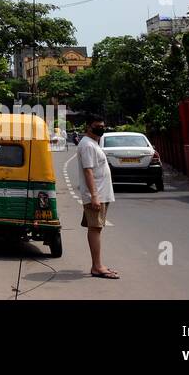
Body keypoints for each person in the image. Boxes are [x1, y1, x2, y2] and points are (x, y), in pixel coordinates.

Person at [77, 115, 117, 279]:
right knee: (95, 229)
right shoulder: (87, 145)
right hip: (96, 194)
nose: (101, 128)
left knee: (96, 228)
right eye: (97, 126)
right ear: (88, 127)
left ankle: (97, 265)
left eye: (102, 126)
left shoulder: (93, 144)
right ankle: (97, 266)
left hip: (101, 194)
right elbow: (88, 170)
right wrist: (94, 195)